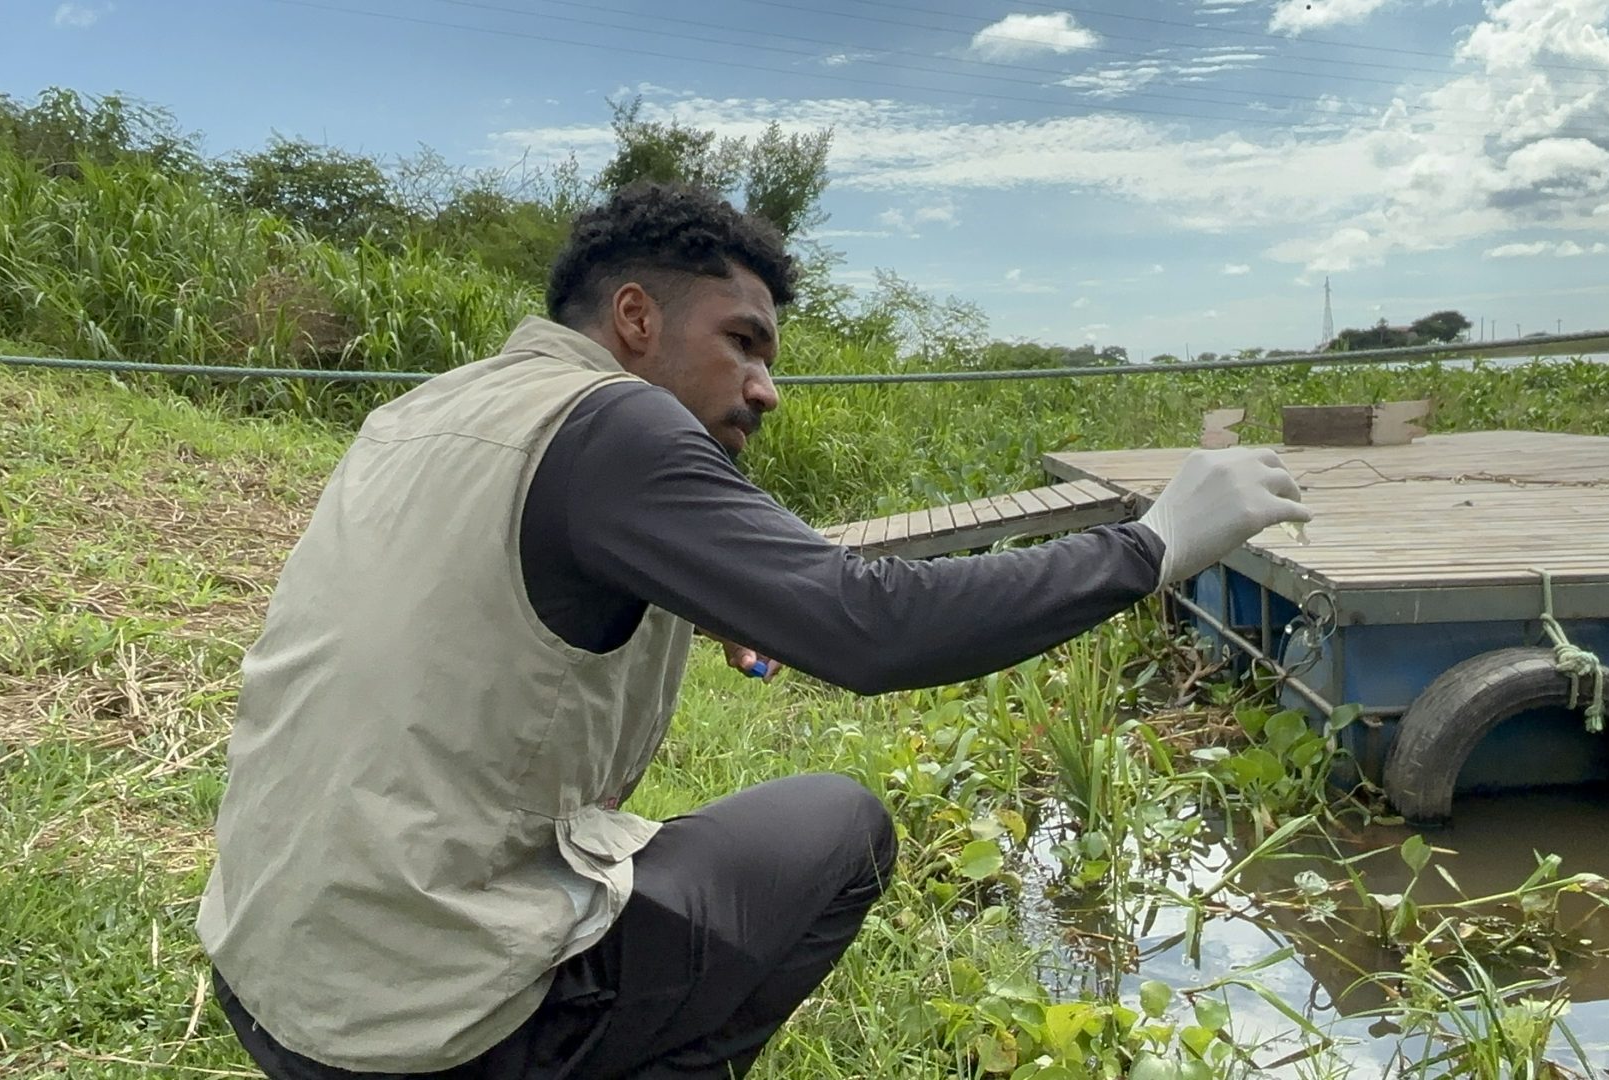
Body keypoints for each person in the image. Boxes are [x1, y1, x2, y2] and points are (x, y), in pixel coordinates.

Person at [197, 180, 1311, 1080]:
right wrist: (1154, 543)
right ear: (635, 319)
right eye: (742, 341)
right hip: (422, 1026)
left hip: (271, 975)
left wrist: (706, 589)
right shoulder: (619, 423)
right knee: (840, 823)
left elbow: (503, 565)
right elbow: (873, 629)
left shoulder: (434, 405)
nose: (765, 387)